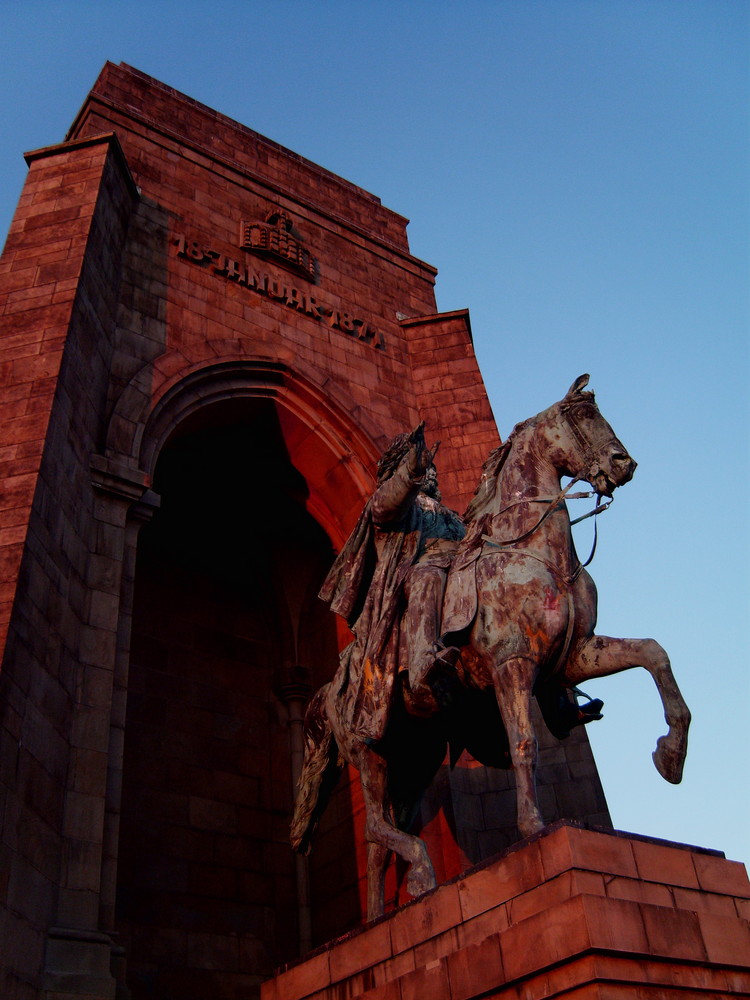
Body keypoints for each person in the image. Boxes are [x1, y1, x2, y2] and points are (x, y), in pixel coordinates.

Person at [319, 424, 465, 743]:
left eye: (432, 468)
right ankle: (424, 665)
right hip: (414, 580)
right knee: (426, 575)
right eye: (426, 467)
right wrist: (410, 471)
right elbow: (385, 507)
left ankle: (556, 695)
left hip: (456, 577)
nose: (433, 472)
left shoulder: (452, 517)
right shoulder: (397, 505)